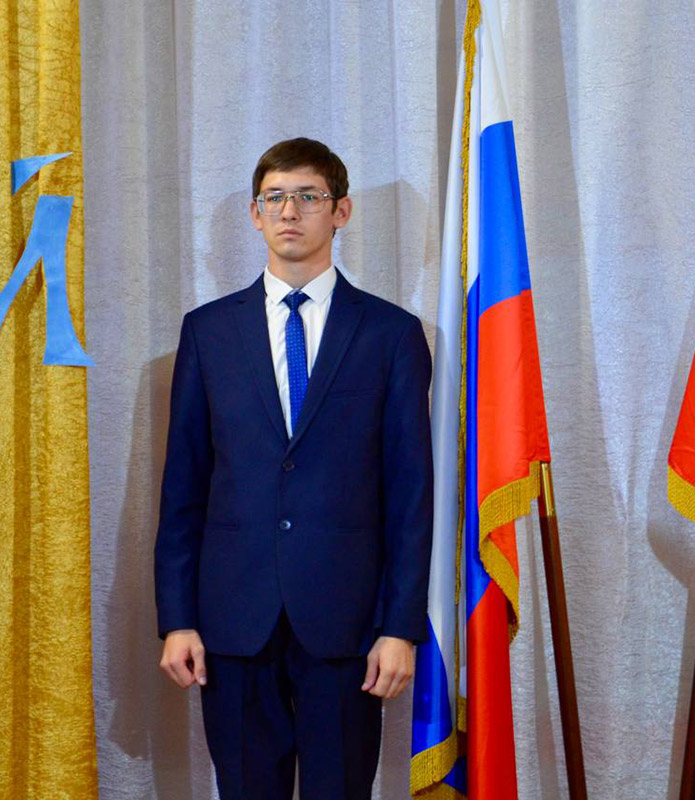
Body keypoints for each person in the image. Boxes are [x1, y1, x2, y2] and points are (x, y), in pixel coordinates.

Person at [154, 137, 434, 800]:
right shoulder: (208, 332)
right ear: (255, 215)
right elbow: (184, 488)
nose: (289, 211)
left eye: (308, 196)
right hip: (233, 623)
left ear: (340, 211)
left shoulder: (392, 335)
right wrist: (177, 618)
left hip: (348, 627)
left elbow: (411, 496)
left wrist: (400, 627)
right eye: (275, 197)